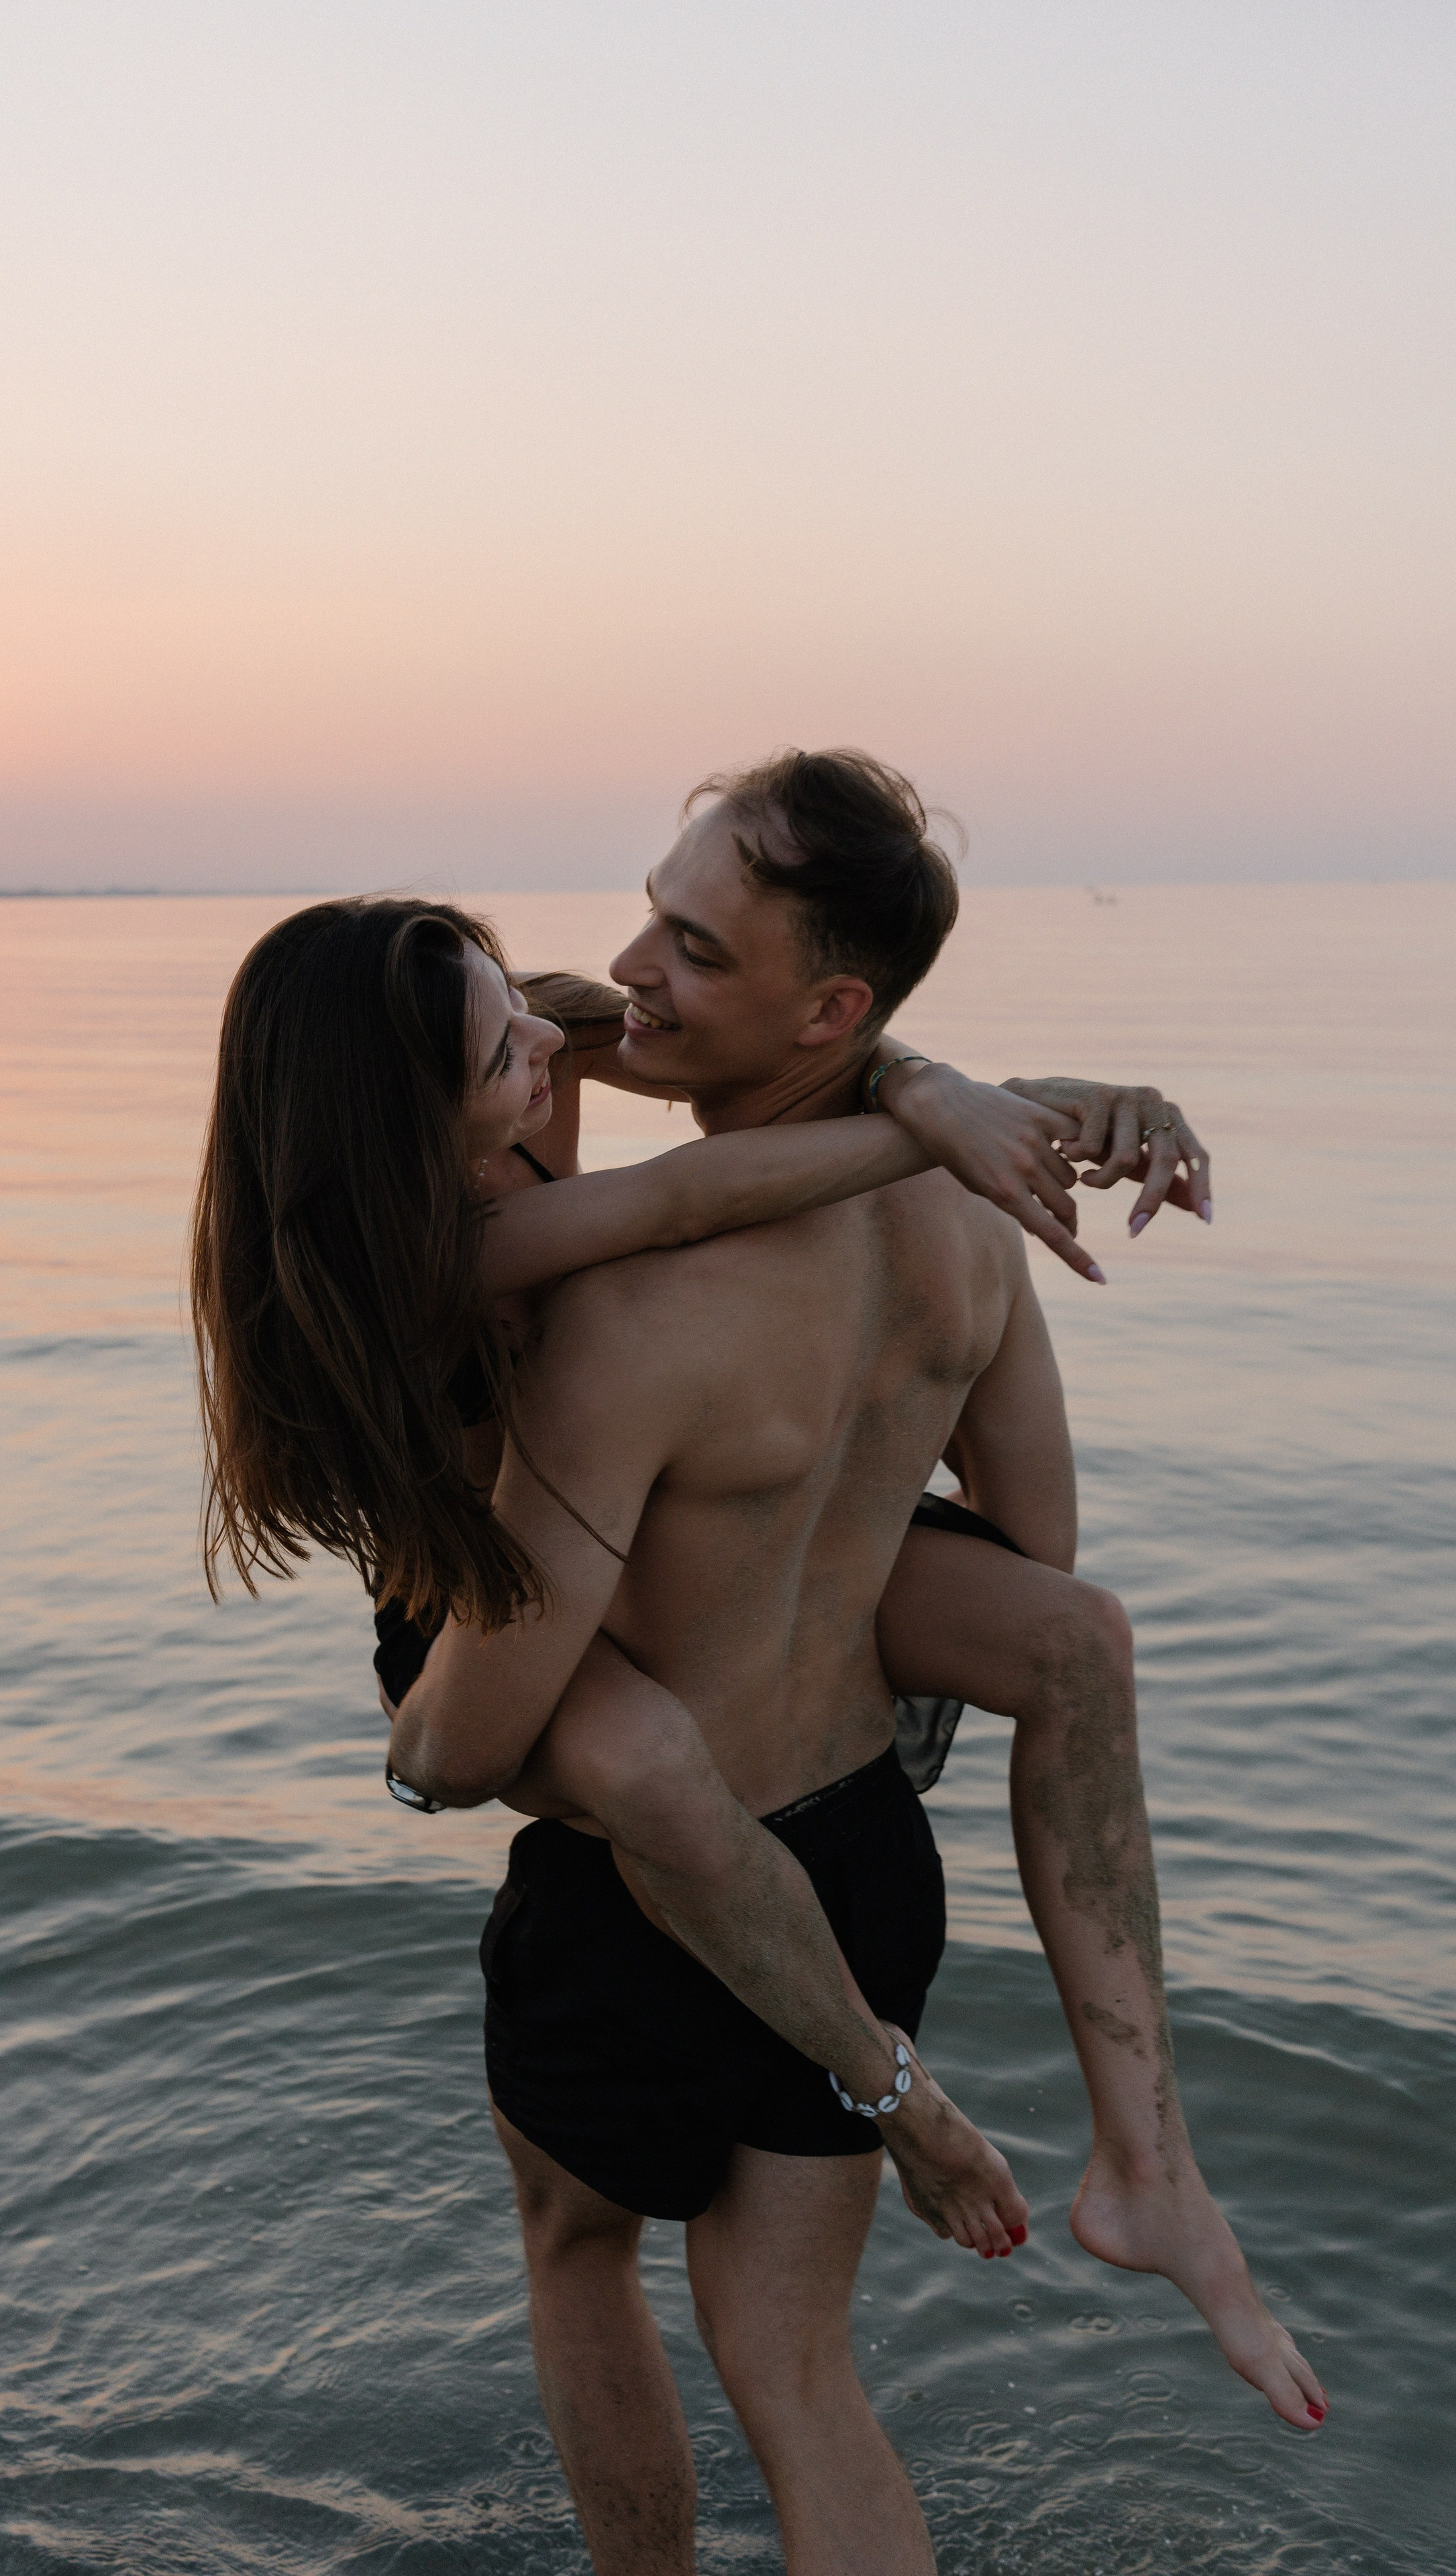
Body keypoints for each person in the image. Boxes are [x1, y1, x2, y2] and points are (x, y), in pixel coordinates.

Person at [385, 750, 1326, 2572]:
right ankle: (1154, 2170)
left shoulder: (616, 1311)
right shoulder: (974, 1224)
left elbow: (484, 1731)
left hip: (649, 1899)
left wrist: (438, 1729)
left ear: (827, 1007)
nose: (632, 977)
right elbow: (1033, 1549)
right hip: (869, 1875)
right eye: (652, 914)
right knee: (798, 2371)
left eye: (695, 952)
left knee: (583, 2257)